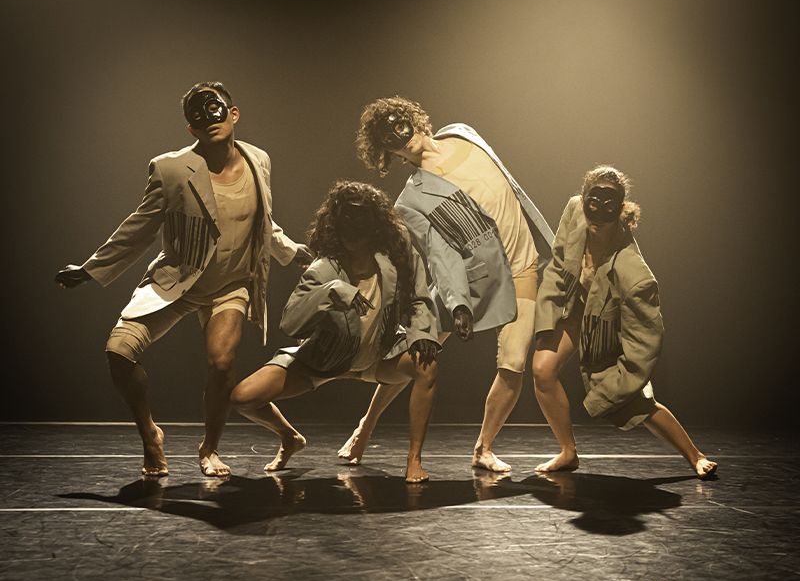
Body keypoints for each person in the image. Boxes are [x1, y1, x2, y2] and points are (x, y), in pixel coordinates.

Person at [55, 81, 311, 477]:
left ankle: (210, 449)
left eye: (215, 108)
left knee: (221, 364)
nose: (209, 118)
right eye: (197, 115)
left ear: (233, 114)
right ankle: (150, 436)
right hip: (177, 282)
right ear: (191, 128)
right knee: (119, 352)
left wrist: (291, 252)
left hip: (231, 285)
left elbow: (262, 222)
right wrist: (90, 269)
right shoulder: (171, 169)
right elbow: (139, 228)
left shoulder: (259, 160)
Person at [337, 96, 555, 472]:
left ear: (411, 118)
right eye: (388, 138)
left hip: (522, 267)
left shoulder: (463, 133)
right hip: (467, 281)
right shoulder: (410, 199)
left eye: (399, 124)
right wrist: (455, 300)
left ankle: (483, 448)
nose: (399, 136)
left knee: (514, 362)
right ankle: (365, 427)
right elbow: (439, 253)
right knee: (416, 354)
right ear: (386, 152)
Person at [230, 180, 440, 483]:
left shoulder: (396, 259)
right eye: (345, 225)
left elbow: (420, 297)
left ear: (375, 226)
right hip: (325, 360)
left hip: (379, 357)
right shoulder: (323, 269)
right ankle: (290, 438)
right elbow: (289, 324)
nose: (352, 234)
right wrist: (332, 291)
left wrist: (421, 334)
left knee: (426, 365)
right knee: (242, 397)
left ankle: (414, 459)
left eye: (359, 225)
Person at [530, 165, 717, 478]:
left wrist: (628, 376)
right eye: (592, 204)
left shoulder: (633, 271)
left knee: (635, 402)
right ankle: (568, 452)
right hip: (576, 308)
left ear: (621, 208)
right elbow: (559, 260)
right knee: (542, 371)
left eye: (608, 207)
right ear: (583, 200)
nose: (597, 216)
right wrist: (546, 315)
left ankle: (695, 455)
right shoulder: (574, 210)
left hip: (607, 325)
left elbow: (646, 336)